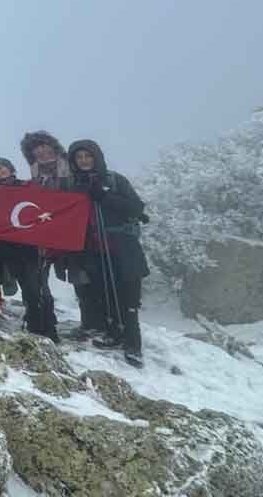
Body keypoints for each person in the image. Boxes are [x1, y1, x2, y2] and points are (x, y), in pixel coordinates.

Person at [66, 140, 149, 368]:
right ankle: (114, 333)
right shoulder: (75, 185)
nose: (83, 161)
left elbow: (136, 207)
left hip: (122, 247)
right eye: (78, 157)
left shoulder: (114, 180)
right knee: (104, 293)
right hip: (94, 249)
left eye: (87, 156)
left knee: (128, 296)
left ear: (96, 157)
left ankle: (133, 344)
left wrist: (103, 196)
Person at [0, 158, 59, 339]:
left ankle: (49, 328)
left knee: (38, 287)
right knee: (27, 288)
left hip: (33, 247)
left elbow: (42, 209)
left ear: (10, 168)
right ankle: (34, 323)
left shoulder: (27, 186)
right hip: (10, 249)